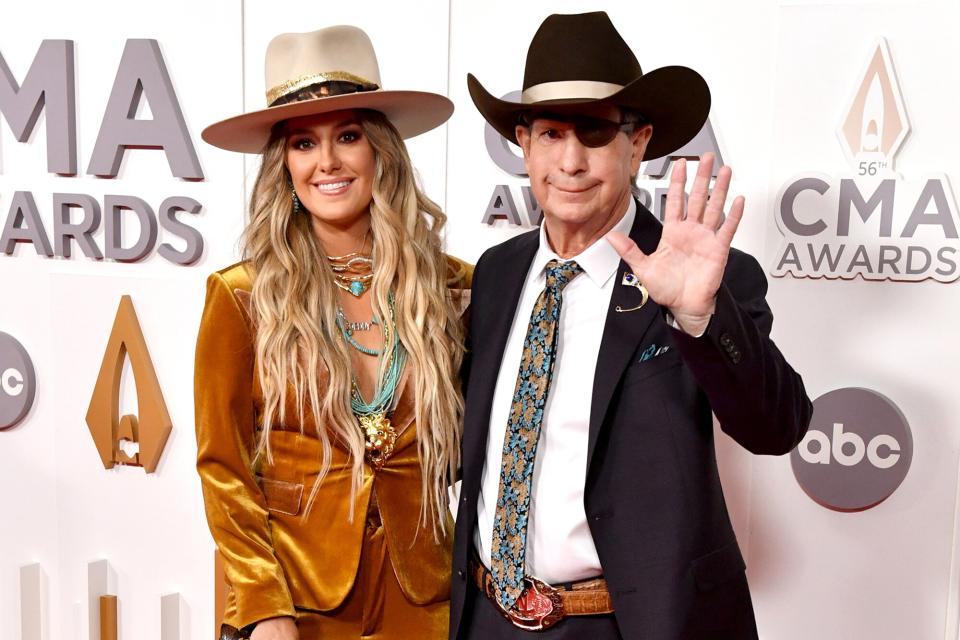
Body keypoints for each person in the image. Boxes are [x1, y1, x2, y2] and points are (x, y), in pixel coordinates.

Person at [450, 11, 812, 640]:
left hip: (632, 624)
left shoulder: (704, 277)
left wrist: (698, 315)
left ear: (638, 142)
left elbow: (776, 427)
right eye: (550, 133)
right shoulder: (497, 274)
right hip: (485, 616)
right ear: (523, 142)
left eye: (593, 134)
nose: (570, 161)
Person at [194, 26, 470, 640]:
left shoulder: (454, 290)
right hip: (297, 599)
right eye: (303, 143)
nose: (327, 163)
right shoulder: (242, 297)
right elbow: (224, 468)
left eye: (347, 136)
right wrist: (264, 606)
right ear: (283, 163)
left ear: (380, 150)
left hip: (423, 596)